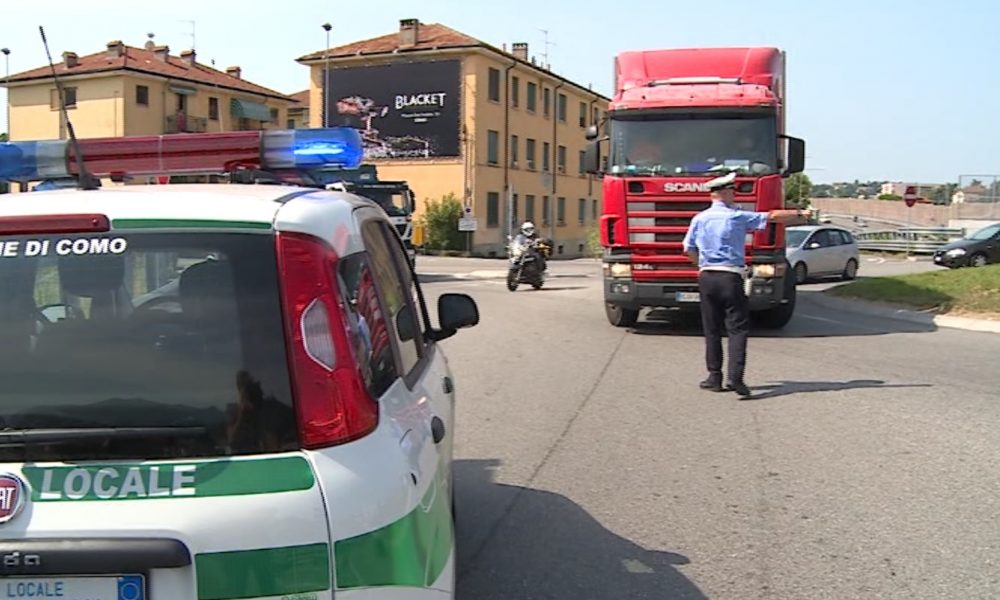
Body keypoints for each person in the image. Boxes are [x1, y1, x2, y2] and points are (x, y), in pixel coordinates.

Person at [681, 171, 809, 398]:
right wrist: (800, 213)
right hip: (731, 276)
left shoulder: (699, 219)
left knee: (712, 329)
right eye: (732, 190)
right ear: (725, 192)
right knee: (737, 328)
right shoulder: (736, 217)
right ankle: (736, 378)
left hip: (707, 276)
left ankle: (714, 376)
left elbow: (688, 248)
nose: (735, 194)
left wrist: (701, 265)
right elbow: (771, 217)